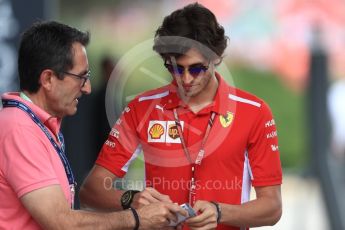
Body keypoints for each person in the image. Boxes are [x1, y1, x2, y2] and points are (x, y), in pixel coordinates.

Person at [80, 3, 283, 230]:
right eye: (175, 68)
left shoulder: (254, 111)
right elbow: (91, 190)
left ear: (215, 58)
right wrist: (132, 199)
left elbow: (272, 207)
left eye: (196, 68)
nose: (186, 79)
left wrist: (220, 212)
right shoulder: (141, 108)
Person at [0, 20, 186, 230]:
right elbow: (61, 222)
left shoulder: (31, 125)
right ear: (48, 79)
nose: (87, 88)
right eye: (81, 77)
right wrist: (137, 218)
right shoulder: (20, 129)